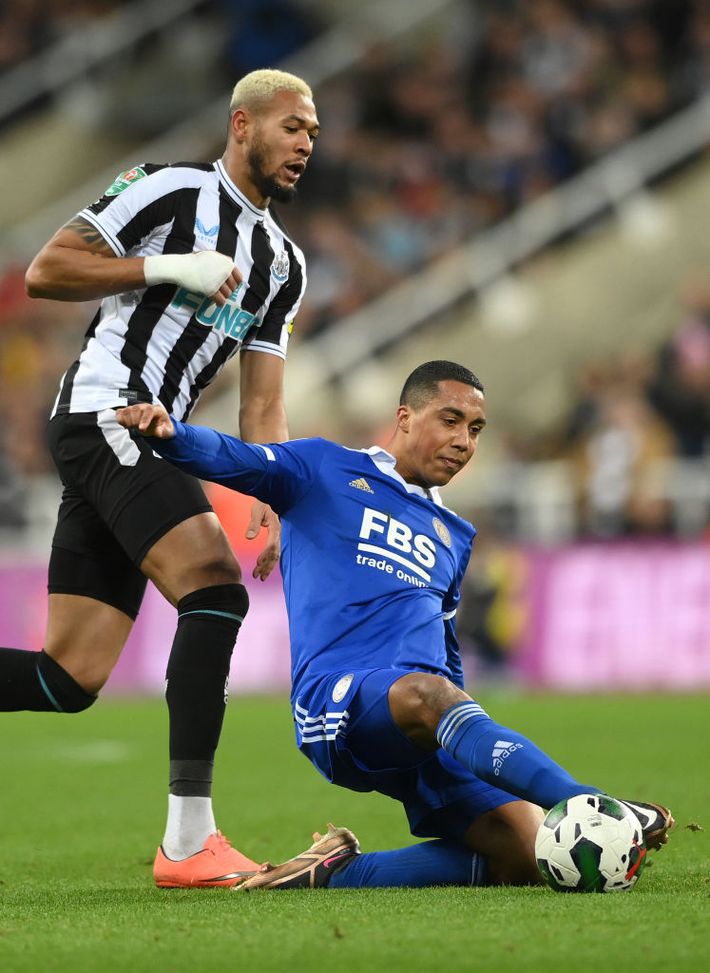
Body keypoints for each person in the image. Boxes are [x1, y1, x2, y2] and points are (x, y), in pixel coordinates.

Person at [116, 360, 674, 890]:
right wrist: (172, 435)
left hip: (427, 716)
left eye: (476, 430)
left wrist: (472, 737)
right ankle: (597, 804)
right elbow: (234, 457)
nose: (464, 441)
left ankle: (332, 871)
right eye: (450, 421)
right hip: (342, 702)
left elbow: (445, 651)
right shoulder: (322, 470)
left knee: (530, 857)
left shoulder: (455, 535)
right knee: (427, 693)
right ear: (404, 418)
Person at [0, 68, 320, 888]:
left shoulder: (282, 263)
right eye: (292, 127)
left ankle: (188, 844)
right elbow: (48, 267)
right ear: (242, 124)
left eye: (313, 133)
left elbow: (264, 404)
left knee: (66, 677)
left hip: (151, 438)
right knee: (213, 587)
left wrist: (273, 492)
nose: (306, 144)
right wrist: (164, 268)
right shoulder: (172, 191)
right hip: (107, 412)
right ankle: (188, 841)